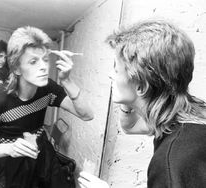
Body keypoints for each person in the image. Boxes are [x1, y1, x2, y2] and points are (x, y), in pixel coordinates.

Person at [78, 20, 206, 188]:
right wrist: (130, 101)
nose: (111, 75)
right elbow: (130, 127)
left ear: (141, 86)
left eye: (116, 69)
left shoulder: (169, 165)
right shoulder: (189, 112)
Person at [0, 26, 94, 188]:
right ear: (16, 68)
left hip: (39, 152)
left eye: (45, 60)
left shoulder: (48, 88)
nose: (43, 67)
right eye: (33, 61)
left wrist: (67, 81)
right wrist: (10, 148)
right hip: (6, 160)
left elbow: (87, 115)